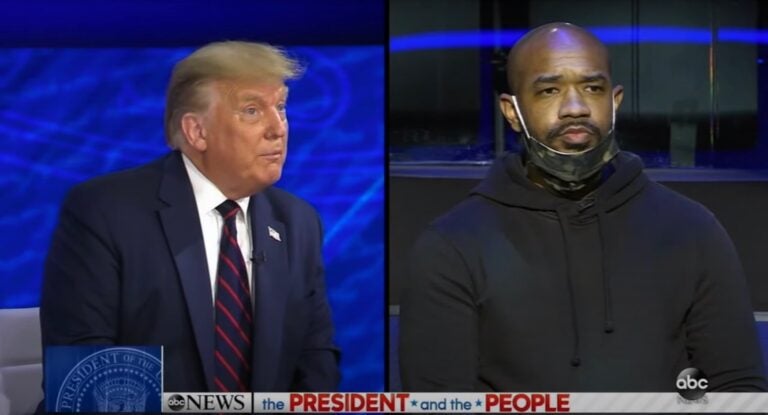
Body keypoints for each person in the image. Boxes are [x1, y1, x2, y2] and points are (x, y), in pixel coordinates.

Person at [399, 23, 766, 392]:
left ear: (615, 101)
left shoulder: (693, 230)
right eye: (549, 90)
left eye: (592, 88)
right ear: (512, 112)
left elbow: (737, 387)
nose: (575, 108)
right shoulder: (451, 247)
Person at [40, 41, 340, 394]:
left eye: (281, 107)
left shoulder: (297, 221)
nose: (278, 128)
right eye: (252, 110)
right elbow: (86, 369)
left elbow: (314, 357)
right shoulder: (105, 211)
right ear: (197, 131)